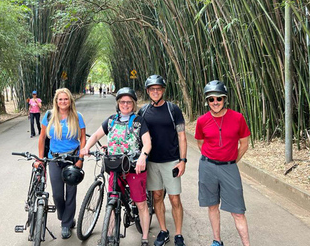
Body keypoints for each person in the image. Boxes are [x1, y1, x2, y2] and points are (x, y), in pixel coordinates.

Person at [81, 87, 152, 246]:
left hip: (135, 168)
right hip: (115, 167)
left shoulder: (139, 121)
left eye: (128, 102)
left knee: (140, 203)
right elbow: (96, 135)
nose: (125, 105)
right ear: (118, 103)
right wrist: (86, 147)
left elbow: (147, 143)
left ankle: (145, 237)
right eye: (122, 102)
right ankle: (110, 234)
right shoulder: (111, 120)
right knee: (112, 201)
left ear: (133, 104)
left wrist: (143, 156)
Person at [194, 80, 251, 246]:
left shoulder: (238, 118)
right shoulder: (202, 121)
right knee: (212, 206)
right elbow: (200, 144)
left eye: (219, 98)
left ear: (224, 99)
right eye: (211, 99)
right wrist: (213, 158)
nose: (215, 102)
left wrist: (231, 160)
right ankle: (217, 241)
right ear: (207, 101)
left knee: (238, 211)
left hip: (229, 168)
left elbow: (244, 143)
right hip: (207, 167)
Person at [138, 75, 187, 246]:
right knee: (157, 197)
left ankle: (179, 234)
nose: (156, 92)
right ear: (148, 91)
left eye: (158, 89)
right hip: (152, 162)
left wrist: (183, 160)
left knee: (174, 198)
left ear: (163, 90)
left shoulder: (173, 110)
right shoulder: (143, 111)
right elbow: (135, 135)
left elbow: (181, 136)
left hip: (171, 161)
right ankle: (163, 230)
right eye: (152, 89)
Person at [38, 88, 86, 239]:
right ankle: (65, 216)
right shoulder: (49, 115)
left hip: (72, 159)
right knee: (58, 195)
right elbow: (42, 138)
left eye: (66, 99)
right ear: (56, 101)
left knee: (71, 194)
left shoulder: (77, 116)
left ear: (70, 100)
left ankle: (66, 224)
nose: (63, 102)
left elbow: (83, 138)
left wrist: (80, 159)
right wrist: (40, 159)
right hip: (54, 159)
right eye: (60, 99)